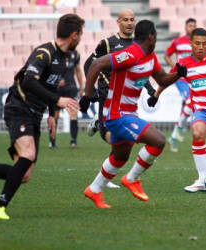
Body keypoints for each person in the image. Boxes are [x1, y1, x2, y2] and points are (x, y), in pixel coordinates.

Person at [0, 14, 83, 220]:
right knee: (29, 154)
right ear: (74, 34)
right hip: (18, 106)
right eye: (81, 34)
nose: (81, 37)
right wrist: (58, 100)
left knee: (24, 174)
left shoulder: (68, 57)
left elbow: (49, 84)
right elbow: (30, 81)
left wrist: (52, 114)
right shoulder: (44, 53)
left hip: (36, 113)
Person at [79, 20, 187, 209]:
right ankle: (132, 179)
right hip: (116, 114)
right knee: (159, 141)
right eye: (156, 36)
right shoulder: (130, 54)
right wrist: (87, 96)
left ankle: (94, 189)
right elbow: (96, 63)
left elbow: (161, 78)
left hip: (130, 113)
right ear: (151, 36)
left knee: (120, 157)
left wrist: (178, 74)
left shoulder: (150, 57)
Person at [152, 28, 206, 193]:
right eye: (197, 43)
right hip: (203, 110)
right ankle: (201, 179)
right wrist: (155, 95)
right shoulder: (183, 64)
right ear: (190, 44)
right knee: (197, 132)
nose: (201, 47)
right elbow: (165, 79)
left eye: (205, 44)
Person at [84, 8, 156, 188]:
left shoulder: (138, 46)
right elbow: (90, 64)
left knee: (122, 140)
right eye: (126, 20)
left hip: (127, 97)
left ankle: (105, 176)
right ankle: (105, 178)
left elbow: (141, 71)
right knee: (114, 136)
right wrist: (89, 90)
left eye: (132, 19)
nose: (129, 23)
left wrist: (149, 89)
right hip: (107, 94)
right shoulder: (107, 43)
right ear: (118, 22)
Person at [158, 18, 196, 153]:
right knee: (190, 103)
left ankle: (174, 136)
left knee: (188, 106)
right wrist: (174, 67)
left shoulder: (197, 43)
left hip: (193, 77)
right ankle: (178, 131)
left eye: (194, 26)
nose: (192, 28)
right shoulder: (177, 42)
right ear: (185, 27)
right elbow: (166, 55)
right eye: (190, 25)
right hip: (181, 78)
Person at [49, 49, 83, 149]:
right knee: (55, 115)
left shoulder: (75, 53)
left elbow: (78, 70)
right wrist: (55, 80)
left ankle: (73, 141)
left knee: (73, 113)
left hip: (70, 88)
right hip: (56, 89)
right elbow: (48, 70)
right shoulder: (54, 52)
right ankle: (52, 141)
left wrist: (81, 87)